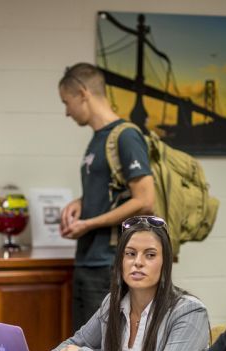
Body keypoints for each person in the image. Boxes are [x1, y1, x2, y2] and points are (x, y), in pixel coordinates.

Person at [58, 63, 155, 332]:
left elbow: (145, 200)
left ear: (82, 92)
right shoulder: (97, 139)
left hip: (108, 262)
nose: (67, 112)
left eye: (67, 102)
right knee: (80, 344)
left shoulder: (126, 136)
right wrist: (81, 202)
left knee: (102, 349)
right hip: (87, 260)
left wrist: (89, 223)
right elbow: (110, 190)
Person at [46, 216, 209, 351]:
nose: (138, 262)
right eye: (130, 254)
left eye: (150, 255)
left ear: (165, 262)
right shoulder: (113, 303)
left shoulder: (189, 311)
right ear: (120, 261)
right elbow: (73, 344)